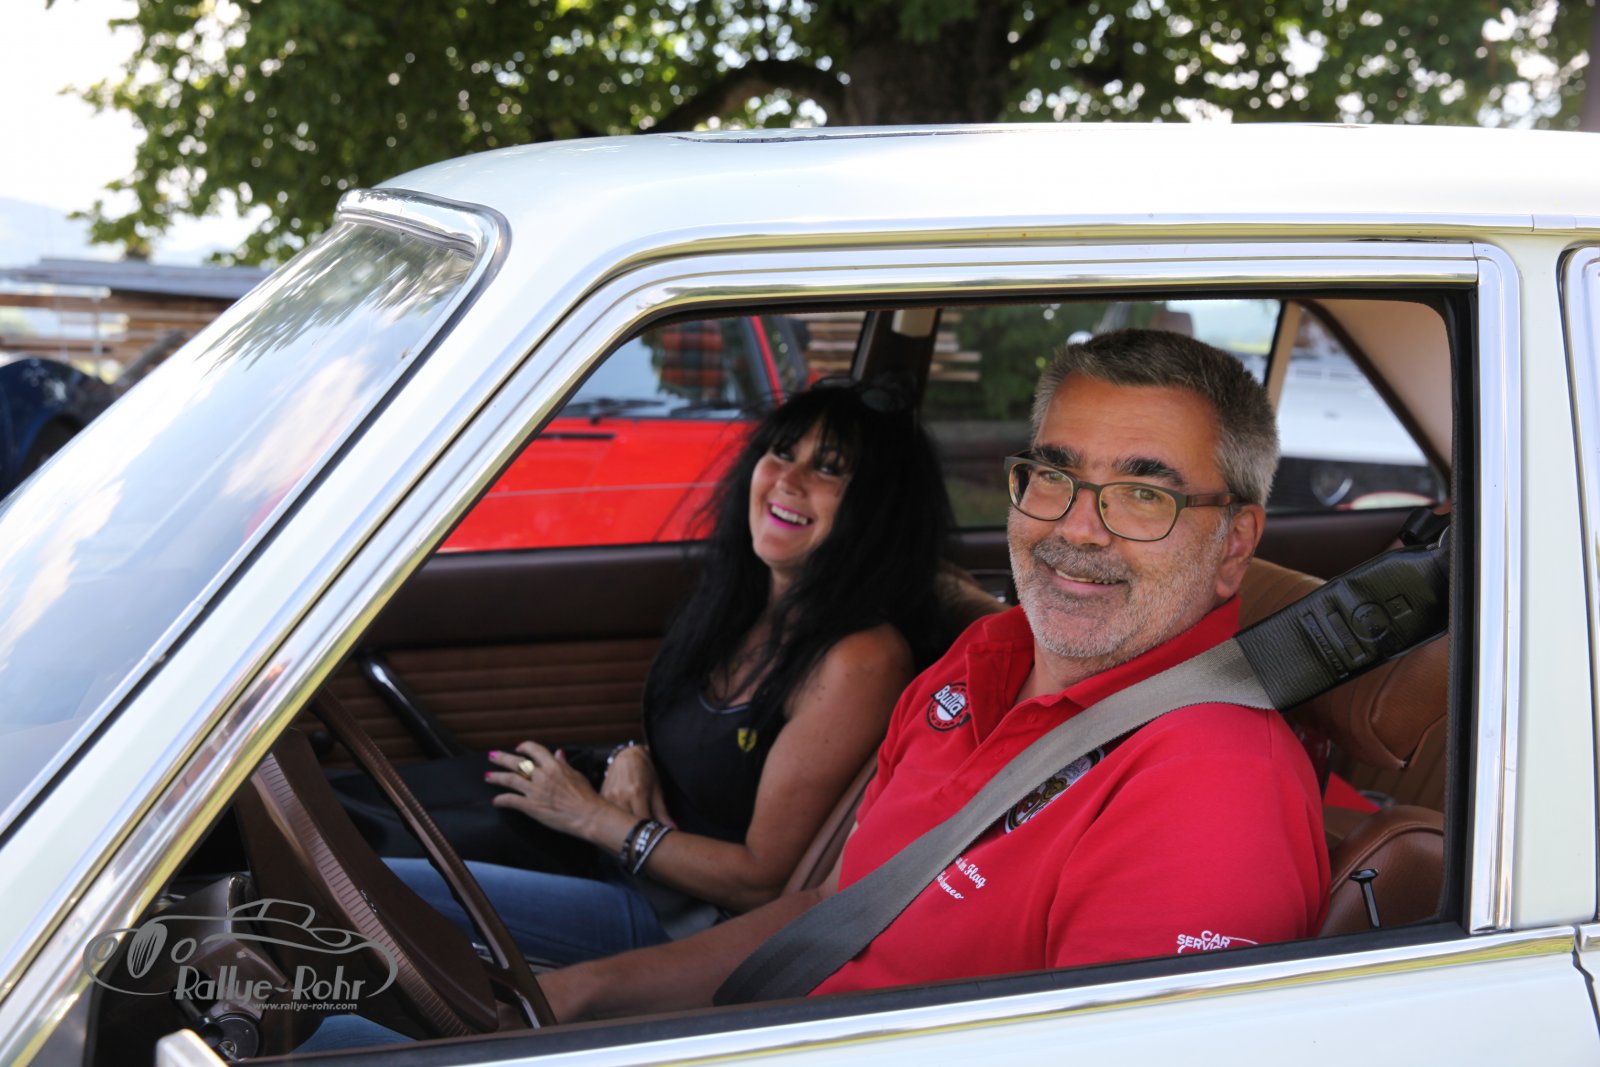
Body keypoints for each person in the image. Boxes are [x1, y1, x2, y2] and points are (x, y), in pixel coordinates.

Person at [539, 328, 1330, 1020]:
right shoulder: (981, 658)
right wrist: (579, 995)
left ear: (1234, 544)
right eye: (1054, 474)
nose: (1078, 527)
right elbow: (830, 913)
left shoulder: (1213, 789)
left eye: (1143, 494)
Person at [386, 377, 956, 965]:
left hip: (680, 924)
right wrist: (630, 756)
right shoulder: (750, 608)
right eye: (782, 453)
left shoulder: (858, 660)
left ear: (877, 508)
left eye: (829, 469)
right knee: (382, 824)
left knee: (380, 888)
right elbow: (705, 753)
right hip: (623, 864)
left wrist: (591, 817)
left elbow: (761, 880)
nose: (788, 480)